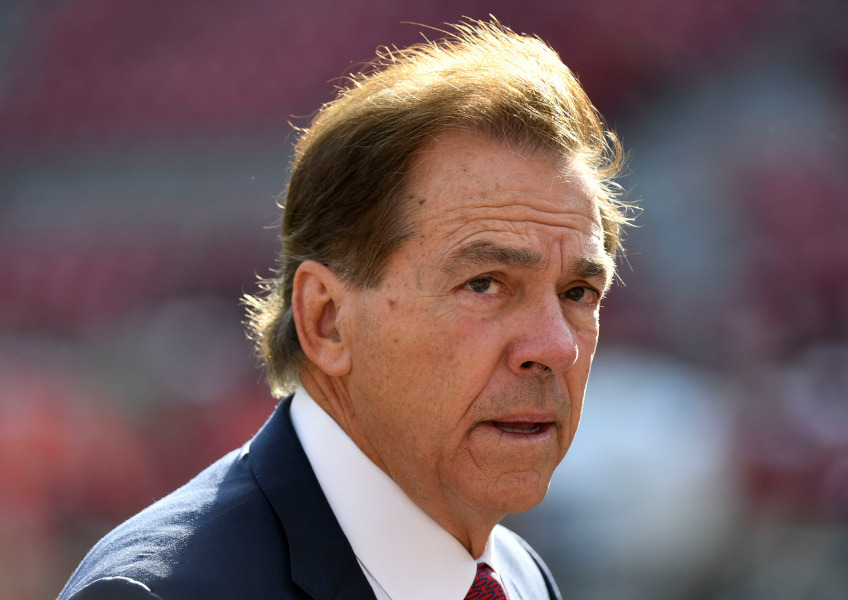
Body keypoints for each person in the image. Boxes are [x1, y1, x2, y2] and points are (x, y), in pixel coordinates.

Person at [58, 18, 630, 600]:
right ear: (327, 321)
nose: (557, 347)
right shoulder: (161, 592)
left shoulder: (521, 579)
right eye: (485, 284)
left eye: (578, 293)